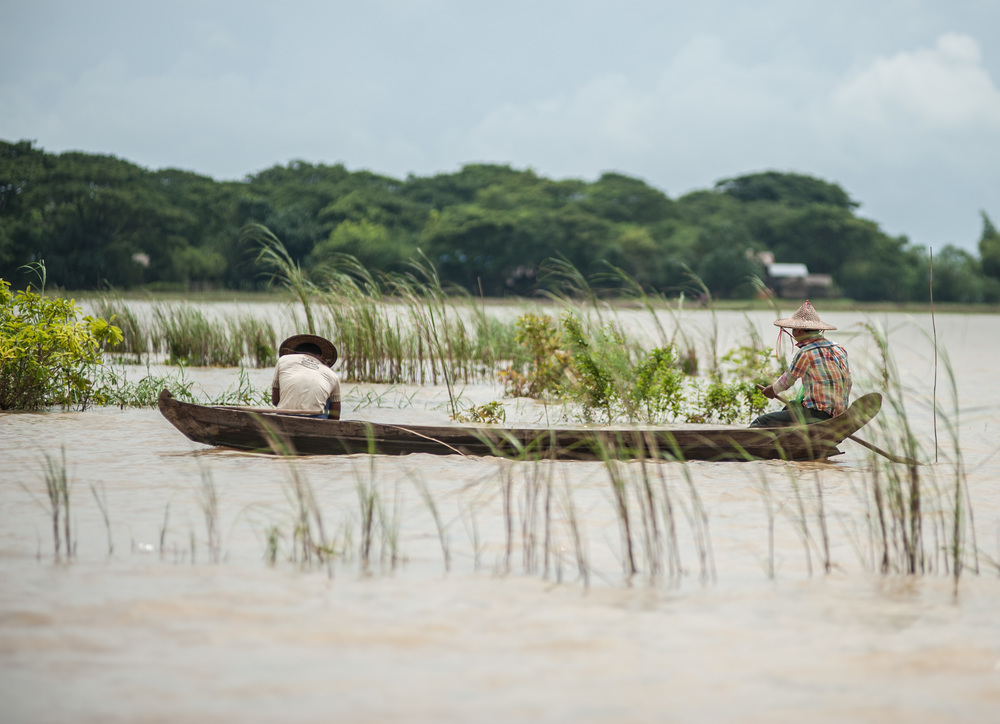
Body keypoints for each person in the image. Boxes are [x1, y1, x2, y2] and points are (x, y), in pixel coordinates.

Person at [750, 301, 851, 428]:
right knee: (790, 407)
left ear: (798, 330)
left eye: (793, 329)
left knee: (761, 422)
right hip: (838, 415)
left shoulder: (806, 352)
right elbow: (849, 383)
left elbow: (788, 379)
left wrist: (772, 390)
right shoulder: (839, 349)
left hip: (816, 415)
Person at [271, 334, 342, 419]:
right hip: (316, 418)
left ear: (295, 353)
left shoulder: (283, 360)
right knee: (328, 394)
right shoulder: (332, 375)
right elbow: (335, 415)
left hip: (285, 415)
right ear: (320, 356)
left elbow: (275, 400)